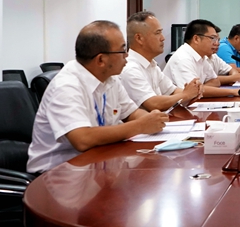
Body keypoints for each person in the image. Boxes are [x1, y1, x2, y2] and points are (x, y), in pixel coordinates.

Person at [27, 21, 168, 173]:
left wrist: (152, 120)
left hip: (98, 163)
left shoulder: (110, 78)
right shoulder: (66, 86)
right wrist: (140, 126)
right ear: (101, 60)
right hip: (58, 172)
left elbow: (132, 113)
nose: (127, 55)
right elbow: (82, 139)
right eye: (122, 50)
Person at [121, 11, 201, 111]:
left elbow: (172, 91)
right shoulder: (130, 68)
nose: (163, 38)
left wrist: (194, 91)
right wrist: (186, 94)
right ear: (139, 38)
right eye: (157, 33)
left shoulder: (152, 65)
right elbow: (153, 103)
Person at [163, 19, 240, 98]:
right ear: (196, 39)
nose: (216, 43)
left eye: (217, 39)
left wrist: (201, 88)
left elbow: (215, 81)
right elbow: (192, 92)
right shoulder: (183, 59)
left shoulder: (201, 57)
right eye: (212, 38)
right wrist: (234, 91)